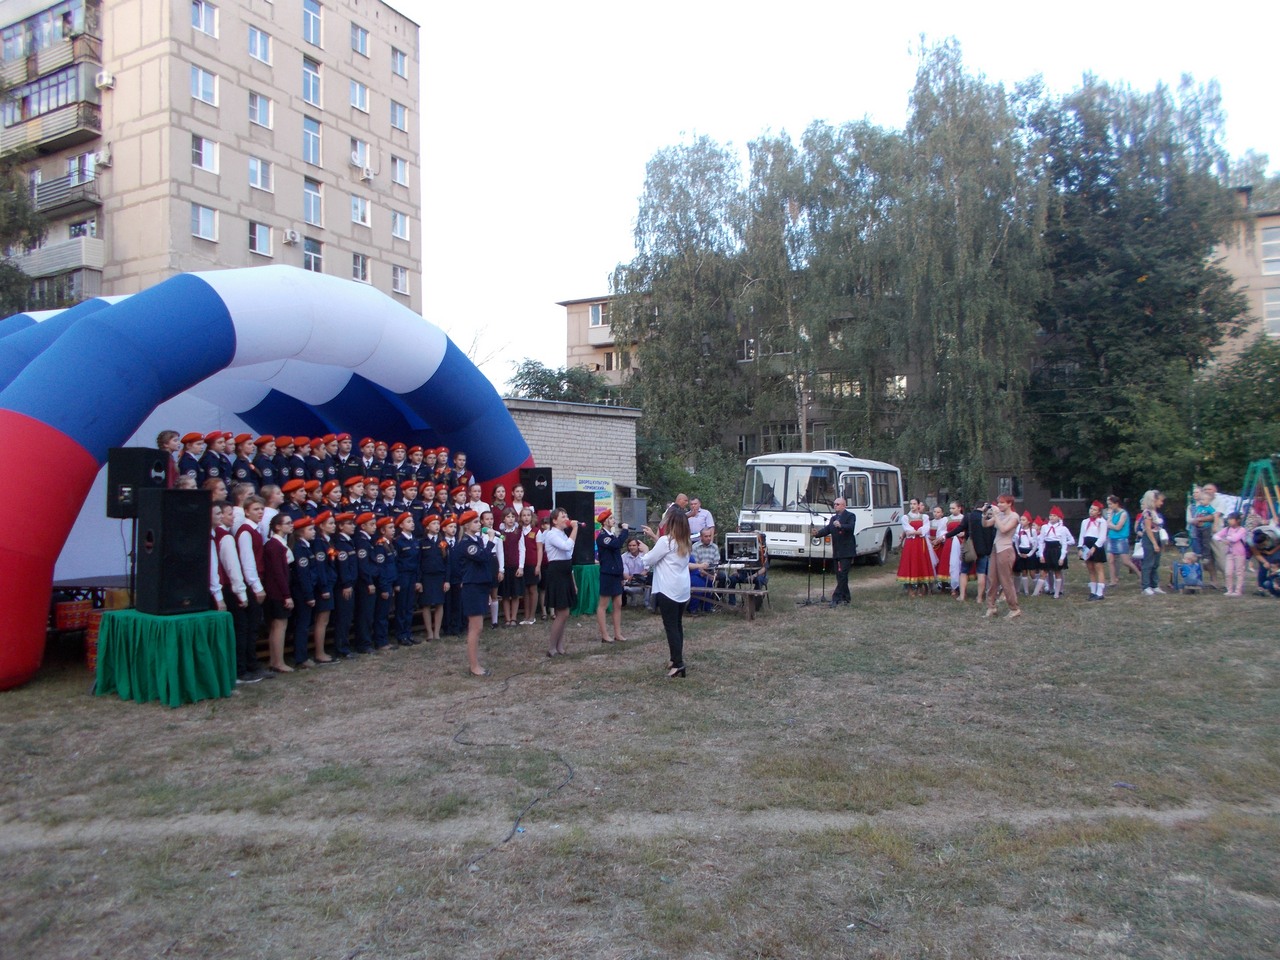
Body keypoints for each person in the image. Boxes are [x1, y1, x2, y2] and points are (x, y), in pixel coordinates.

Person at [637, 508, 692, 678]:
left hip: (668, 589)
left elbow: (648, 560)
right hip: (682, 590)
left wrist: (645, 549)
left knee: (671, 628)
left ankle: (678, 664)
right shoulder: (686, 542)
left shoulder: (666, 541)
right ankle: (675, 658)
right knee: (677, 625)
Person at [456, 509, 496, 676]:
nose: (479, 524)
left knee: (478, 627)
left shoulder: (477, 540)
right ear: (466, 526)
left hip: (480, 585)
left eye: (478, 522)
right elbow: (483, 557)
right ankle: (474, 666)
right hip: (472, 587)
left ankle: (475, 663)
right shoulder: (466, 544)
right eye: (475, 522)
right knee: (475, 627)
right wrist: (491, 541)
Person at [541, 508, 580, 656]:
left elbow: (569, 555)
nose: (566, 518)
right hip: (556, 573)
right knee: (563, 612)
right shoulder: (551, 534)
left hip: (565, 572)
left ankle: (559, 645)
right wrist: (575, 528)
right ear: (554, 520)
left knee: (563, 612)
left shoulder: (563, 534)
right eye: (562, 516)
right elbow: (567, 546)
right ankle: (552, 647)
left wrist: (573, 582)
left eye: (567, 515)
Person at [262, 512, 295, 673]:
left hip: (277, 589)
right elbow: (278, 572)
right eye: (287, 523)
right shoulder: (274, 546)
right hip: (277, 591)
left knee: (278, 626)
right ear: (278, 526)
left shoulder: (279, 543)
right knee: (279, 626)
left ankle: (275, 659)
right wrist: (286, 594)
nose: (291, 525)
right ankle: (278, 661)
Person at [983, 495, 1023, 620]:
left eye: (1002, 503)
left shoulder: (1014, 517)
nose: (999, 505)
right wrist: (984, 514)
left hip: (1006, 549)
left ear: (1009, 504)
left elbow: (1004, 529)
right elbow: (985, 524)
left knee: (1006, 580)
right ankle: (991, 606)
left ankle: (1014, 608)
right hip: (996, 548)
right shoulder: (999, 515)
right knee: (992, 578)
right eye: (998, 503)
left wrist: (995, 516)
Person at [812, 496, 857, 606]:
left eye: (837, 504)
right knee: (839, 575)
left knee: (843, 574)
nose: (835, 506)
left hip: (847, 551)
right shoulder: (833, 518)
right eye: (834, 504)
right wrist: (817, 534)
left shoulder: (850, 516)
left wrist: (841, 526)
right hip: (837, 551)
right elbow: (828, 529)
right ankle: (846, 597)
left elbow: (851, 528)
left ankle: (835, 598)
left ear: (844, 505)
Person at [595, 510, 628, 642]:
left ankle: (617, 633)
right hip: (607, 574)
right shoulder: (603, 537)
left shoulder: (612, 535)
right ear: (605, 522)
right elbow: (617, 545)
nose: (614, 520)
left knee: (618, 603)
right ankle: (604, 634)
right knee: (603, 604)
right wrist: (625, 531)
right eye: (611, 518)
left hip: (616, 574)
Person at [418, 513, 448, 640]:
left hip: (440, 577)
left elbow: (447, 563)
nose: (436, 526)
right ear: (427, 527)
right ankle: (429, 632)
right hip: (426, 577)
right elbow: (418, 562)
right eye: (433, 524)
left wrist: (447, 580)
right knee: (426, 604)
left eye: (437, 524)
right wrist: (418, 581)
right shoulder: (422, 542)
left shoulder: (443, 542)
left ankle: (437, 632)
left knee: (439, 604)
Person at [897, 499, 934, 597]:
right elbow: (908, 530)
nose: (912, 506)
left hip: (921, 543)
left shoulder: (924, 517)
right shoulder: (905, 517)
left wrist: (916, 532)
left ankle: (920, 586)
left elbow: (925, 529)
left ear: (918, 505)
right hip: (910, 543)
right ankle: (910, 588)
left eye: (914, 504)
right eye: (911, 504)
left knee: (920, 562)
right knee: (910, 562)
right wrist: (918, 532)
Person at [1037, 506, 1075, 599]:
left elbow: (1069, 541)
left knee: (1057, 571)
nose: (1052, 517)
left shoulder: (1062, 529)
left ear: (1059, 517)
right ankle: (1039, 591)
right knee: (1045, 570)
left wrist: (1062, 555)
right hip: (1047, 550)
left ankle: (1057, 592)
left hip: (1057, 550)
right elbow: (1041, 541)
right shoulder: (1045, 527)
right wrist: (1041, 554)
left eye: (1054, 515)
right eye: (1050, 515)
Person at [1104, 495, 1142, 584]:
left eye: (1111, 504)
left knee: (1126, 561)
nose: (1109, 506)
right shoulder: (1113, 513)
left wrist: (1110, 525)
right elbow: (1108, 523)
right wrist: (1110, 524)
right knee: (1110, 560)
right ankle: (1113, 580)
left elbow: (1118, 527)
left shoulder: (1123, 513)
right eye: (1108, 504)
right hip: (1111, 538)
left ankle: (1140, 574)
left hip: (1121, 539)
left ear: (1116, 503)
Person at [1136, 489, 1167, 596]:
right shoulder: (1147, 513)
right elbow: (1148, 529)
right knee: (1148, 562)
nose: (1161, 503)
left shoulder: (1155, 513)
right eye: (1160, 501)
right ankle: (1146, 586)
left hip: (1157, 536)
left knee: (1155, 563)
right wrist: (1154, 543)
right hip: (1150, 538)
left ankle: (1155, 585)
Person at [1078, 501, 1109, 601]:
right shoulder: (1085, 522)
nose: (1091, 511)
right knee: (1090, 568)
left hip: (1096, 546)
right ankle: (1092, 591)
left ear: (1099, 512)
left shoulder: (1102, 522)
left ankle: (1100, 592)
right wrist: (1080, 548)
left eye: (1094, 510)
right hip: (1087, 544)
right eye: (1091, 509)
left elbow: (1102, 537)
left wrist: (1094, 547)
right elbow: (1082, 535)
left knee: (1098, 567)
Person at [1213, 512, 1249, 596]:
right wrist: (1223, 540)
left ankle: (1238, 590)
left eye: (1232, 519)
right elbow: (1216, 536)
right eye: (1229, 519)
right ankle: (1229, 589)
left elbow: (1235, 538)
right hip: (1229, 553)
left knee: (1239, 572)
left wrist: (1226, 538)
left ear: (1237, 520)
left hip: (1240, 553)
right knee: (1228, 572)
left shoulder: (1242, 530)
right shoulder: (1227, 529)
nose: (1229, 521)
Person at [687, 526, 721, 614]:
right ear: (701, 537)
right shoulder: (695, 547)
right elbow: (696, 566)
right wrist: (709, 576)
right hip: (696, 572)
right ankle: (693, 609)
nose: (708, 538)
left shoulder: (714, 547)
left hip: (711, 572)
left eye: (710, 536)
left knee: (722, 578)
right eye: (706, 536)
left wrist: (714, 575)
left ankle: (710, 606)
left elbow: (717, 564)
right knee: (701, 584)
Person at [518, 507, 541, 625]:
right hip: (523, 565)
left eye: (528, 515)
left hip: (532, 563)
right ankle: (526, 616)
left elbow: (539, 549)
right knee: (525, 590)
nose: (526, 517)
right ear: (520, 518)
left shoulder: (536, 531)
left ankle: (532, 616)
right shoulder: (519, 531)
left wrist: (538, 565)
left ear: (532, 517)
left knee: (533, 589)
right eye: (524, 515)